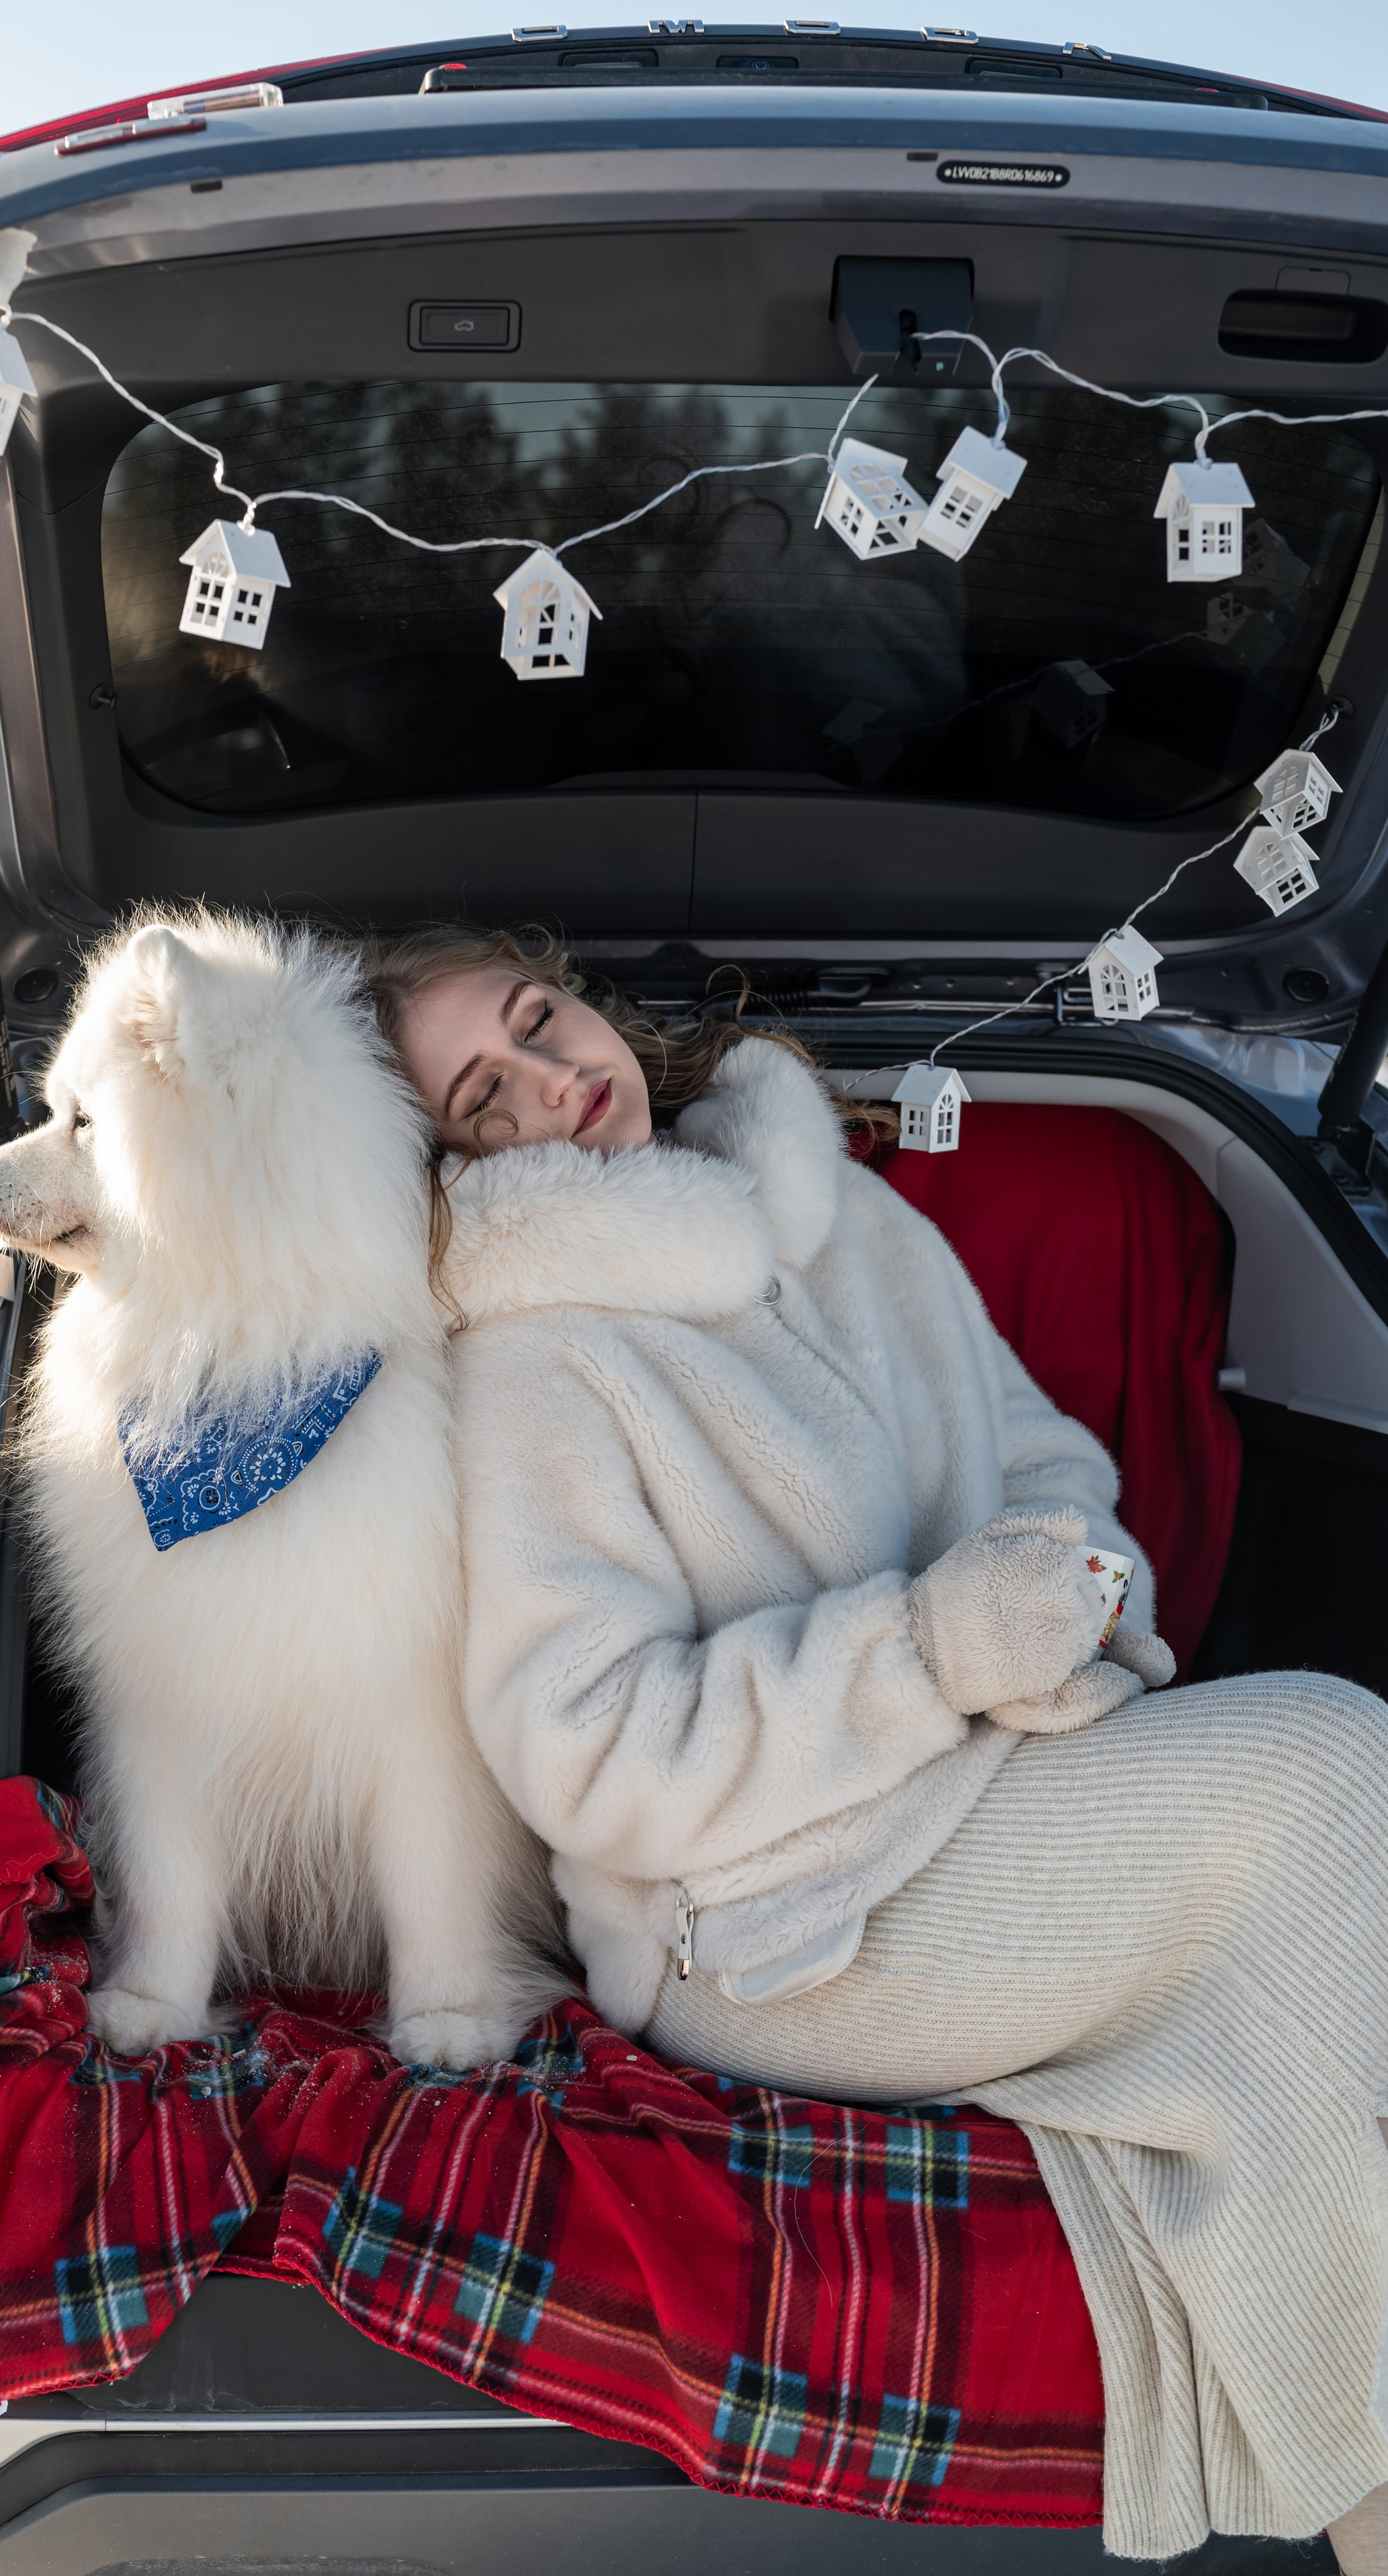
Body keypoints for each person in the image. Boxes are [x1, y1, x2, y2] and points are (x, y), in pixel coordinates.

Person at [365, 921, 1388, 2573]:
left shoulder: (832, 1216)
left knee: (1307, 1939)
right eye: (482, 1096)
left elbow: (1045, 1467)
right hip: (768, 1925)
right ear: (441, 1167)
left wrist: (1063, 1600)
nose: (550, 1082)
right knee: (1333, 1771)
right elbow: (591, 1755)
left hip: (989, 1786)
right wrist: (925, 1655)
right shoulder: (528, 1363)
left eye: (540, 1020)